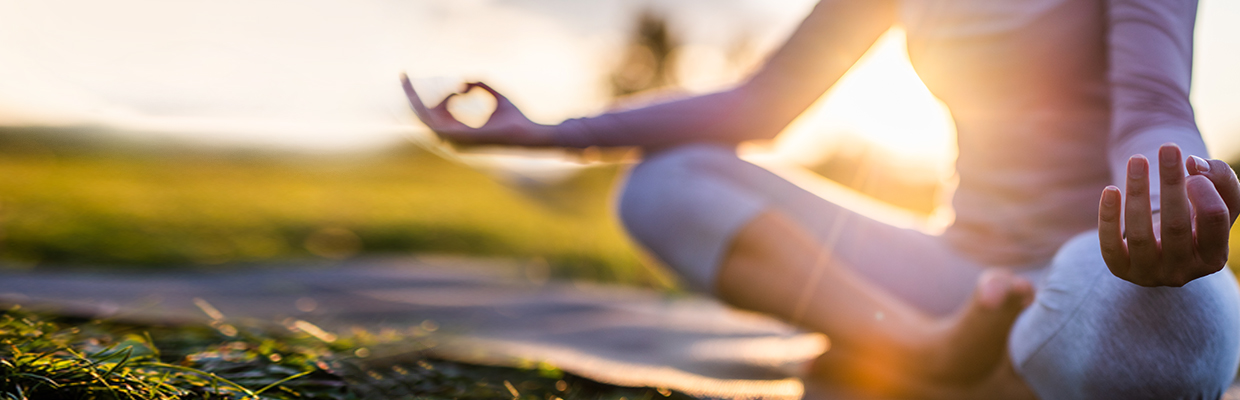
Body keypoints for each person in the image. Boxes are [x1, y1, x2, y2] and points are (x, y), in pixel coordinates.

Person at [401, 0, 1240, 397]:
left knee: (1173, 335)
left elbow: (1155, 108)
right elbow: (760, 106)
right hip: (957, 276)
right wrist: (545, 132)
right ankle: (926, 349)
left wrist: (1175, 193)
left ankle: (1023, 354)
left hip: (1092, 269)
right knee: (665, 182)